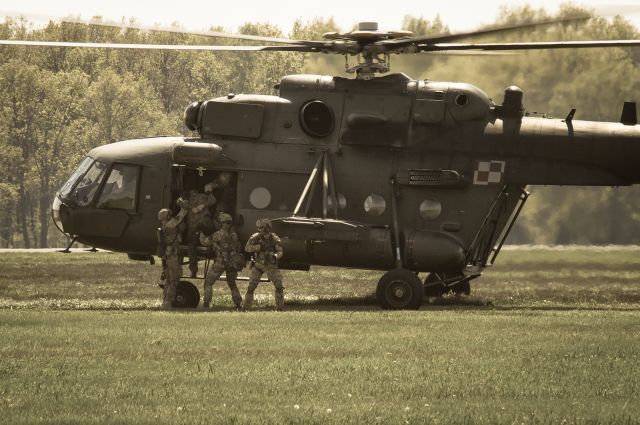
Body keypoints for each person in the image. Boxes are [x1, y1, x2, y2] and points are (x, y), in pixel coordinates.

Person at [199, 213, 244, 309]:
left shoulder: (218, 234)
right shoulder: (234, 235)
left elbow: (204, 242)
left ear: (221, 223)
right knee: (232, 283)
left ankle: (206, 303)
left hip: (220, 262)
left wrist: (201, 233)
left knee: (208, 282)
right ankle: (238, 304)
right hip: (232, 263)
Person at [243, 218, 285, 311]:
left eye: (261, 228)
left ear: (267, 228)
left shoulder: (274, 238)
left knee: (278, 285)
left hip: (270, 265)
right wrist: (258, 247)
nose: (259, 230)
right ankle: (246, 308)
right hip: (258, 265)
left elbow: (280, 251)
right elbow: (247, 248)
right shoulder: (255, 237)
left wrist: (275, 256)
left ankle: (280, 308)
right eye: (258, 228)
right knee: (251, 287)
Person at [157, 199, 189, 309]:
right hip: (172, 256)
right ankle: (168, 302)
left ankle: (165, 302)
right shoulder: (170, 224)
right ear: (167, 216)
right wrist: (184, 208)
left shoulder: (163, 227)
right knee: (174, 280)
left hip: (167, 256)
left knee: (168, 280)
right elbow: (180, 217)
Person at [186, 187, 216, 278]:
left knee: (192, 247)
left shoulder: (201, 196)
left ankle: (194, 271)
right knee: (193, 246)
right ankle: (214, 267)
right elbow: (213, 200)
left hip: (199, 225)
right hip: (199, 225)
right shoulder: (203, 196)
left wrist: (202, 206)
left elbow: (212, 200)